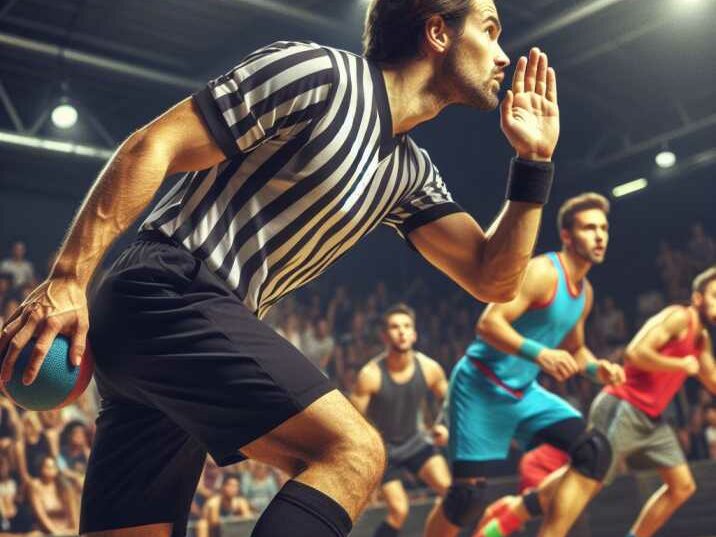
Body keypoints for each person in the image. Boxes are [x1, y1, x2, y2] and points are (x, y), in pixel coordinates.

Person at [0, 1, 561, 536]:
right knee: (352, 452)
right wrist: (70, 276)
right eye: (489, 29)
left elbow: (493, 277)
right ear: (437, 31)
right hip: (168, 288)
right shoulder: (320, 74)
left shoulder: (410, 172)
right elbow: (157, 143)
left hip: (176, 333)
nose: (503, 54)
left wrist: (533, 163)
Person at [426, 193, 625, 537]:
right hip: (479, 387)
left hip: (522, 392)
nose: (599, 236)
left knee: (594, 452)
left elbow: (576, 351)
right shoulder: (543, 272)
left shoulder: (585, 292)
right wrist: (541, 355)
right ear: (566, 235)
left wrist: (598, 371)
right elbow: (489, 324)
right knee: (466, 499)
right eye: (589, 228)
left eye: (604, 228)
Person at [587, 266, 716, 537]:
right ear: (697, 298)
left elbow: (712, 379)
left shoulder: (701, 339)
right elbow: (634, 353)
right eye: (715, 295)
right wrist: (679, 363)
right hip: (623, 405)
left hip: (652, 419)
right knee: (584, 481)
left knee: (682, 486)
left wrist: (686, 363)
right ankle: (510, 515)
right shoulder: (679, 316)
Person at [351, 304, 450, 537]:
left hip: (415, 442)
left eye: (407, 327)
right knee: (399, 511)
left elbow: (450, 402)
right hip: (386, 454)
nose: (402, 332)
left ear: (414, 334)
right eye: (395, 327)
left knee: (451, 494)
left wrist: (444, 426)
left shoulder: (429, 368)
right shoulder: (370, 375)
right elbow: (353, 423)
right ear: (385, 336)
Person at [27, 456, 79, 535]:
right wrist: (56, 532)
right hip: (45, 532)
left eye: (53, 466)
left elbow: (74, 515)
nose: (51, 469)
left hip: (66, 531)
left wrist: (73, 531)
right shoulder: (35, 486)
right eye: (47, 467)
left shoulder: (64, 487)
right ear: (41, 469)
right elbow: (41, 516)